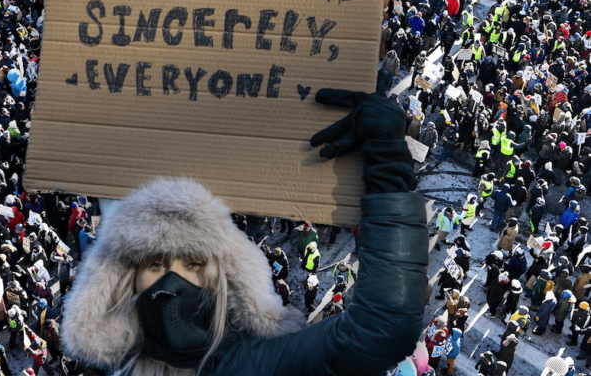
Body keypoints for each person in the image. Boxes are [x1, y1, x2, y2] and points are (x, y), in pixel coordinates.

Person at [62, 69, 429, 375]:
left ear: (225, 276)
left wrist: (387, 167)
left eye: (194, 263)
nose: (173, 282)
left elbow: (382, 329)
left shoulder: (259, 364)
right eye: (156, 264)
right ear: (125, 276)